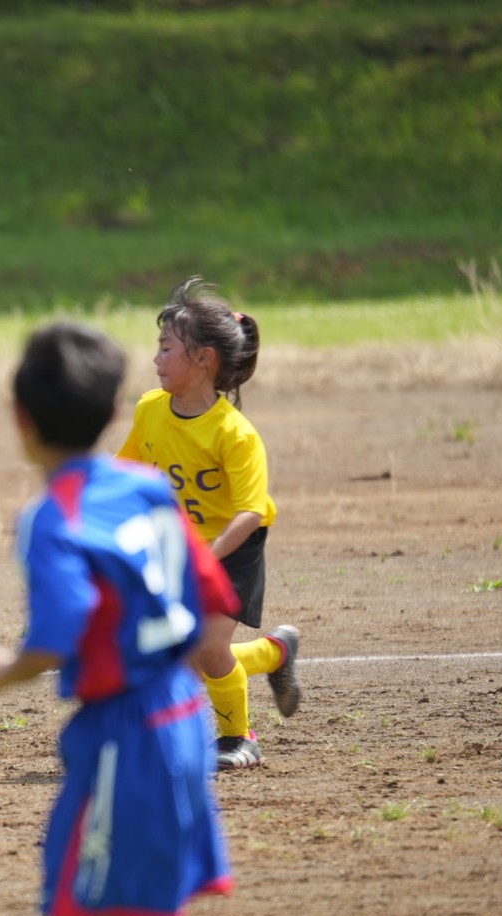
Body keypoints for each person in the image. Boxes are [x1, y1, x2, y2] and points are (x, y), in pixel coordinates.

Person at [0, 320, 346, 916]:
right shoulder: (147, 489)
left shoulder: (51, 517)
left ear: (21, 419)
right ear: (117, 408)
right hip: (180, 721)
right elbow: (209, 600)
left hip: (123, 737)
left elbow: (58, 631)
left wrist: (3, 671)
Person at [116, 276, 302, 771]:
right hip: (178, 546)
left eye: (166, 347)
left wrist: (208, 553)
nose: (155, 358)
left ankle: (237, 738)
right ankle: (273, 655)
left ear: (204, 359)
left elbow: (250, 510)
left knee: (206, 646)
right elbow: (129, 469)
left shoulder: (234, 434)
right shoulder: (151, 410)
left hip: (232, 549)